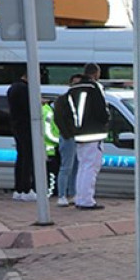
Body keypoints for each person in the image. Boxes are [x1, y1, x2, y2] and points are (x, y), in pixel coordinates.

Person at [55, 62, 109, 210]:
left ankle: (80, 197)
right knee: (91, 167)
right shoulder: (95, 87)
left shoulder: (73, 90)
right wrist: (106, 120)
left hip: (79, 134)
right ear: (96, 73)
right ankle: (86, 200)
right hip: (94, 133)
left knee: (82, 167)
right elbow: (101, 111)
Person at [53, 73, 83, 206]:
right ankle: (62, 195)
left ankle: (73, 193)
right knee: (66, 167)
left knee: (77, 167)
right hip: (68, 138)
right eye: (74, 84)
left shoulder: (82, 100)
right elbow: (58, 118)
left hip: (80, 137)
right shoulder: (62, 100)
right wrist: (67, 134)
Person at [7, 70, 36, 201]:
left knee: (21, 157)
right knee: (27, 158)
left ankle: (18, 189)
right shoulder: (25, 89)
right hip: (26, 126)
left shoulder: (12, 87)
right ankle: (26, 189)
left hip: (16, 126)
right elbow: (29, 108)